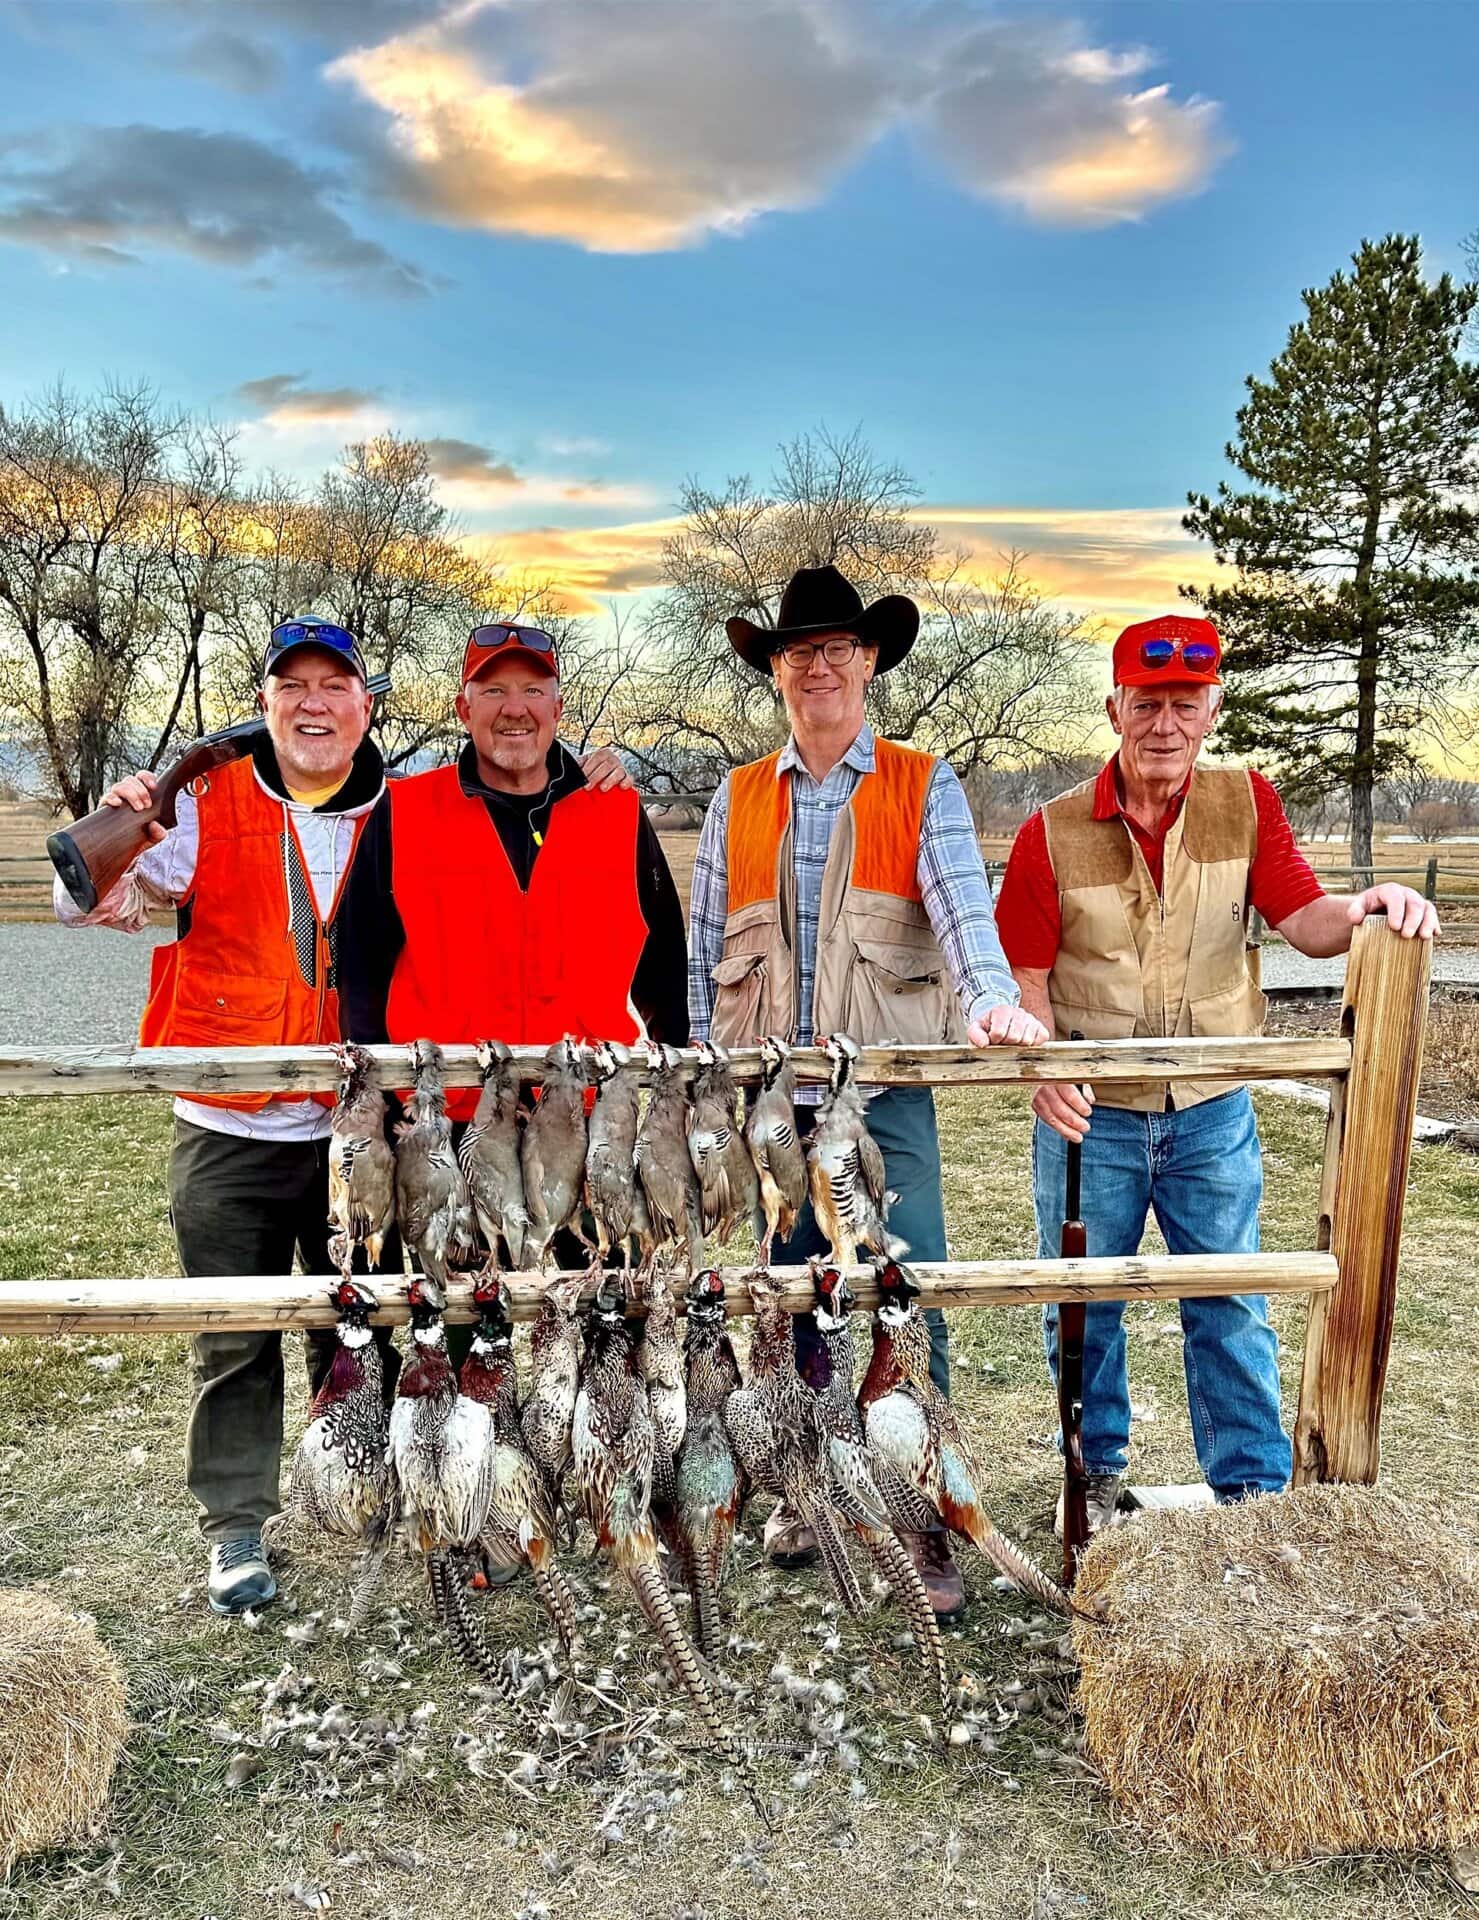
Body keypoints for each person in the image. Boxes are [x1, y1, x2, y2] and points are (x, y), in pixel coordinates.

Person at [994, 612, 1439, 1530]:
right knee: (1083, 1306)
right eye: (1146, 703)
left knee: (1228, 1300)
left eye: (1184, 704)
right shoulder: (1049, 831)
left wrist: (1370, 905)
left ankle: (1252, 1496)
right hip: (1096, 1115)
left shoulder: (1247, 802)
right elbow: (1025, 977)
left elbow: (1305, 921)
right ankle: (1094, 1482)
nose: (1165, 724)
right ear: (1113, 707)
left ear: (1211, 708)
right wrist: (1043, 1068)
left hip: (1211, 1109)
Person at [688, 563, 1045, 1620]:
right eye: (801, 654)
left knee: (902, 1302)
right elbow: (704, 948)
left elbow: (964, 914)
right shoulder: (739, 795)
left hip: (881, 1096)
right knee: (788, 1305)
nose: (820, 669)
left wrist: (989, 1002)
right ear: (778, 674)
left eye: (840, 650)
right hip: (767, 1108)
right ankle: (806, 1491)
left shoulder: (922, 785)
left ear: (872, 660)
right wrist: (702, 1079)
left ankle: (917, 1512)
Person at [54, 617, 392, 1615]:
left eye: (336, 684)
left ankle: (359, 1494)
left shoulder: (402, 811)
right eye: (295, 685)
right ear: (268, 701)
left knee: (357, 1332)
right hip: (227, 1125)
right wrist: (133, 809)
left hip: (354, 1135)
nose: (315, 703)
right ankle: (237, 1524)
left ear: (366, 705)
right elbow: (81, 905)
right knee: (234, 1339)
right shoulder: (203, 804)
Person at [338, 619, 688, 1107]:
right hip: (441, 1115)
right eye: (494, 690)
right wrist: (382, 1100)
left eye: (532, 690)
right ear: (465, 709)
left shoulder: (615, 811)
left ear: (557, 708)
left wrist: (677, 1088)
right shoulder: (405, 812)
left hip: (585, 1112)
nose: (515, 708)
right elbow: (359, 971)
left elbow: (664, 963)